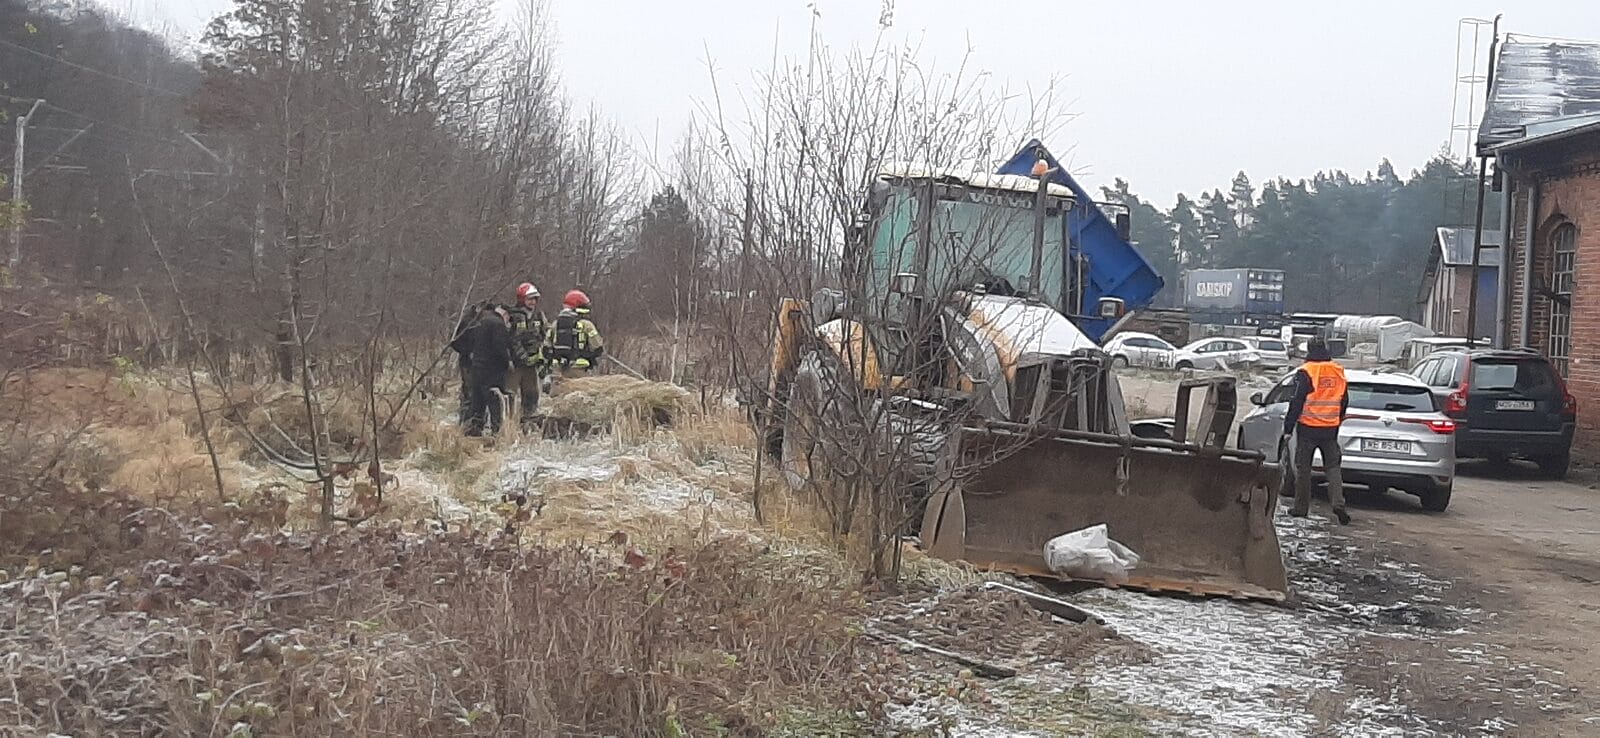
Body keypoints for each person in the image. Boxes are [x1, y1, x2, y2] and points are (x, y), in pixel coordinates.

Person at [1283, 337, 1351, 525]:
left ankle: (1301, 508)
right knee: (1333, 467)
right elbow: (1344, 399)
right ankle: (1338, 503)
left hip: (1307, 427)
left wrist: (1288, 428)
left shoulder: (1306, 371)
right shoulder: (1338, 370)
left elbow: (1296, 401)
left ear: (1309, 351)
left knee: (1303, 468)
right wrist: (1338, 420)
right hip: (1330, 429)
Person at [458, 302, 514, 436]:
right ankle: (497, 433)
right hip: (492, 371)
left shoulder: (479, 322)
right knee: (495, 402)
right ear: (505, 315)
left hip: (476, 368)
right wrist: (508, 363)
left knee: (477, 403)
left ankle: (472, 432)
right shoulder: (497, 324)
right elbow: (500, 348)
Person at [506, 282, 548, 424]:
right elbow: (511, 340)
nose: (532, 302)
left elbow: (544, 335)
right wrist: (523, 357)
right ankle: (507, 422)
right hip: (514, 364)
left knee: (531, 393)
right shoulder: (512, 316)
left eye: (534, 299)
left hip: (532, 364)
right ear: (521, 299)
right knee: (510, 394)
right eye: (529, 299)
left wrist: (541, 356)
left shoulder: (539, 316)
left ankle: (528, 421)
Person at [545, 289, 604, 378]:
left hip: (558, 371)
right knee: (579, 392)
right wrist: (588, 357)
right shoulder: (586, 325)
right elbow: (598, 347)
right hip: (579, 371)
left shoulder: (556, 324)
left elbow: (546, 347)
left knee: (560, 391)